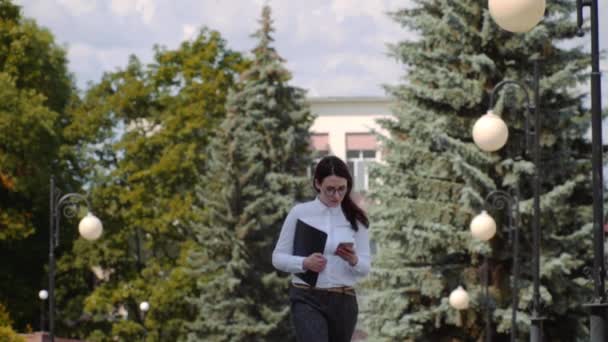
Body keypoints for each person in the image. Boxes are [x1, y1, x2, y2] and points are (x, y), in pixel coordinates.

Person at [272, 155, 371, 342]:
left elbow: (365, 267)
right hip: (306, 297)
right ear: (317, 184)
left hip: (344, 300)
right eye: (330, 190)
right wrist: (304, 262)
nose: (336, 196)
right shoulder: (300, 213)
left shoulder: (356, 219)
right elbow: (277, 257)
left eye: (342, 189)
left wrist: (353, 260)